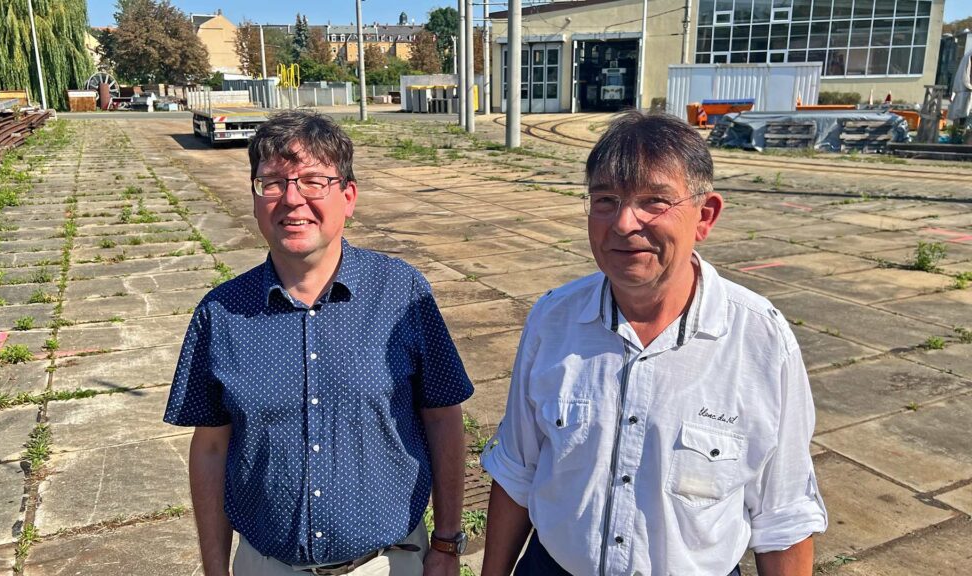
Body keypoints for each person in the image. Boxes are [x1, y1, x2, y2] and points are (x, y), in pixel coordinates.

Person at [480, 111, 827, 576]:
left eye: (654, 202)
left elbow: (783, 517)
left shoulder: (760, 341)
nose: (624, 223)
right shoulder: (553, 320)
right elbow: (518, 472)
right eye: (605, 199)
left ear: (705, 216)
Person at [165, 110, 474, 576]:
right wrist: (214, 568)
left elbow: (443, 417)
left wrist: (447, 542)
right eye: (271, 182)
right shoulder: (221, 313)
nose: (292, 199)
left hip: (388, 564)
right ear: (254, 198)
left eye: (313, 181)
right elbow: (210, 449)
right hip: (265, 566)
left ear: (348, 197)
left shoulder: (402, 293)